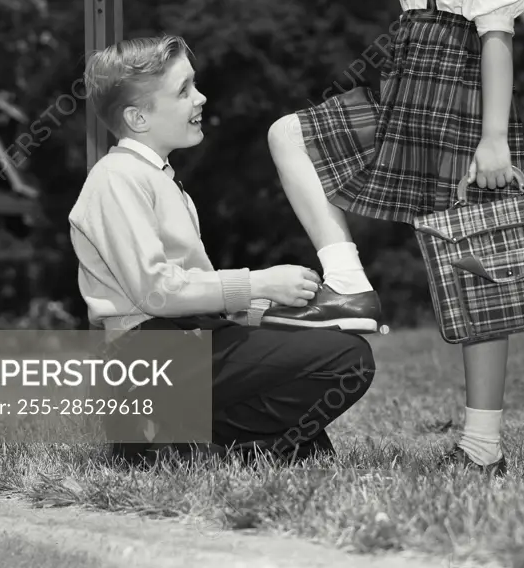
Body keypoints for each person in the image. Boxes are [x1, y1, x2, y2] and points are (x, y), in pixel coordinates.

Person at [264, 0, 524, 475]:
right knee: (289, 133)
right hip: (404, 100)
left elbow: (496, 41)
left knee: (481, 274)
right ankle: (348, 281)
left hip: (465, 112)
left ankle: (481, 446)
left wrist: (495, 140)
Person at [68, 36, 375, 467]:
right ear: (137, 117)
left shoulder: (162, 182)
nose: (201, 97)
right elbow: (156, 293)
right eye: (184, 90)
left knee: (324, 390)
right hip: (145, 357)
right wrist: (257, 283)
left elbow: (194, 291)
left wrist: (278, 307)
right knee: (348, 361)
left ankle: (197, 445)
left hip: (181, 345)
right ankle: (176, 440)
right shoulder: (116, 178)